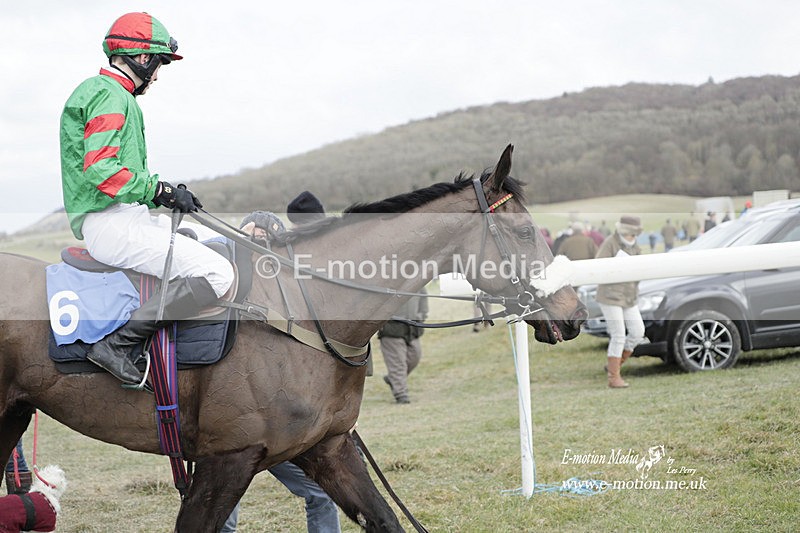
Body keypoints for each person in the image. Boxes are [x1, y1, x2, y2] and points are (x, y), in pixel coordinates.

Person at [59, 12, 234, 386]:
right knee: (219, 274)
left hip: (126, 216)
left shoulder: (113, 95)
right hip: (111, 223)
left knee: (215, 244)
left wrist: (166, 197)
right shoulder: (109, 94)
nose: (156, 76)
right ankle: (118, 346)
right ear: (143, 58)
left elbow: (122, 176)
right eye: (158, 65)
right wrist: (158, 190)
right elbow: (102, 170)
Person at [223, 206, 341, 533]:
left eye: (263, 240)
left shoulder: (295, 301)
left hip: (279, 428)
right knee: (216, 511)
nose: (254, 247)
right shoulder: (219, 290)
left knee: (322, 490)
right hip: (229, 429)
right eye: (248, 239)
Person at [595, 216, 647, 388]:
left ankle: (615, 364)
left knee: (638, 332)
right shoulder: (610, 243)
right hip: (610, 296)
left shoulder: (637, 246)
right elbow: (599, 266)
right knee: (618, 334)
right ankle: (613, 378)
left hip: (629, 296)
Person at [379, 290, 428, 404]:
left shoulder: (416, 280)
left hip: (412, 329)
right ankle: (401, 394)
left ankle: (393, 380)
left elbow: (423, 297)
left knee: (415, 357)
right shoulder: (388, 282)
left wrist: (422, 315)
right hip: (392, 330)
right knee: (398, 364)